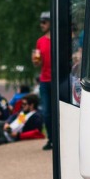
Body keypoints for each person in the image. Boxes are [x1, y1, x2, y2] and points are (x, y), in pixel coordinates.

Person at [32, 11, 53, 150]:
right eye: (41, 22)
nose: (42, 25)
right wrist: (35, 60)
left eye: (44, 22)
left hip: (58, 80)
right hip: (44, 80)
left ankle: (59, 138)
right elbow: (37, 62)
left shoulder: (59, 39)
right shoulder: (40, 41)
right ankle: (51, 139)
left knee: (59, 111)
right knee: (46, 112)